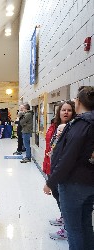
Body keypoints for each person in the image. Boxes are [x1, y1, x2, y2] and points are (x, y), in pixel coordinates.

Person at [43, 86, 94, 250]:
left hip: (74, 183)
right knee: (86, 224)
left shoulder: (80, 125)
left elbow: (67, 159)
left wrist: (51, 182)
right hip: (89, 182)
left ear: (77, 102)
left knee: (73, 230)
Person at [42, 101, 76, 240]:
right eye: (63, 110)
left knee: (64, 198)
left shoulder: (73, 127)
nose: (66, 112)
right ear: (59, 112)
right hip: (50, 164)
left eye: (69, 110)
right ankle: (64, 218)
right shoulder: (54, 125)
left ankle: (67, 228)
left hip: (62, 168)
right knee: (57, 196)